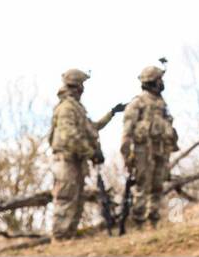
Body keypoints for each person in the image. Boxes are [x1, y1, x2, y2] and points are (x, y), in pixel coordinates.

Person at [48, 69, 116, 240]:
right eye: (82, 85)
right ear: (77, 86)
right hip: (66, 161)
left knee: (76, 199)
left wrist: (111, 114)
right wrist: (91, 152)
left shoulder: (76, 108)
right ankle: (60, 239)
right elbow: (69, 136)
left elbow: (91, 127)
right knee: (66, 198)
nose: (83, 89)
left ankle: (68, 237)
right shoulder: (66, 108)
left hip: (75, 161)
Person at [120, 65, 179, 228]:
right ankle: (138, 224)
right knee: (142, 187)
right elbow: (127, 132)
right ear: (153, 81)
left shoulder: (161, 104)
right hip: (143, 152)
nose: (162, 83)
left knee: (157, 187)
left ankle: (153, 222)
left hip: (161, 150)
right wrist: (127, 157)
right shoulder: (137, 103)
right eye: (160, 80)